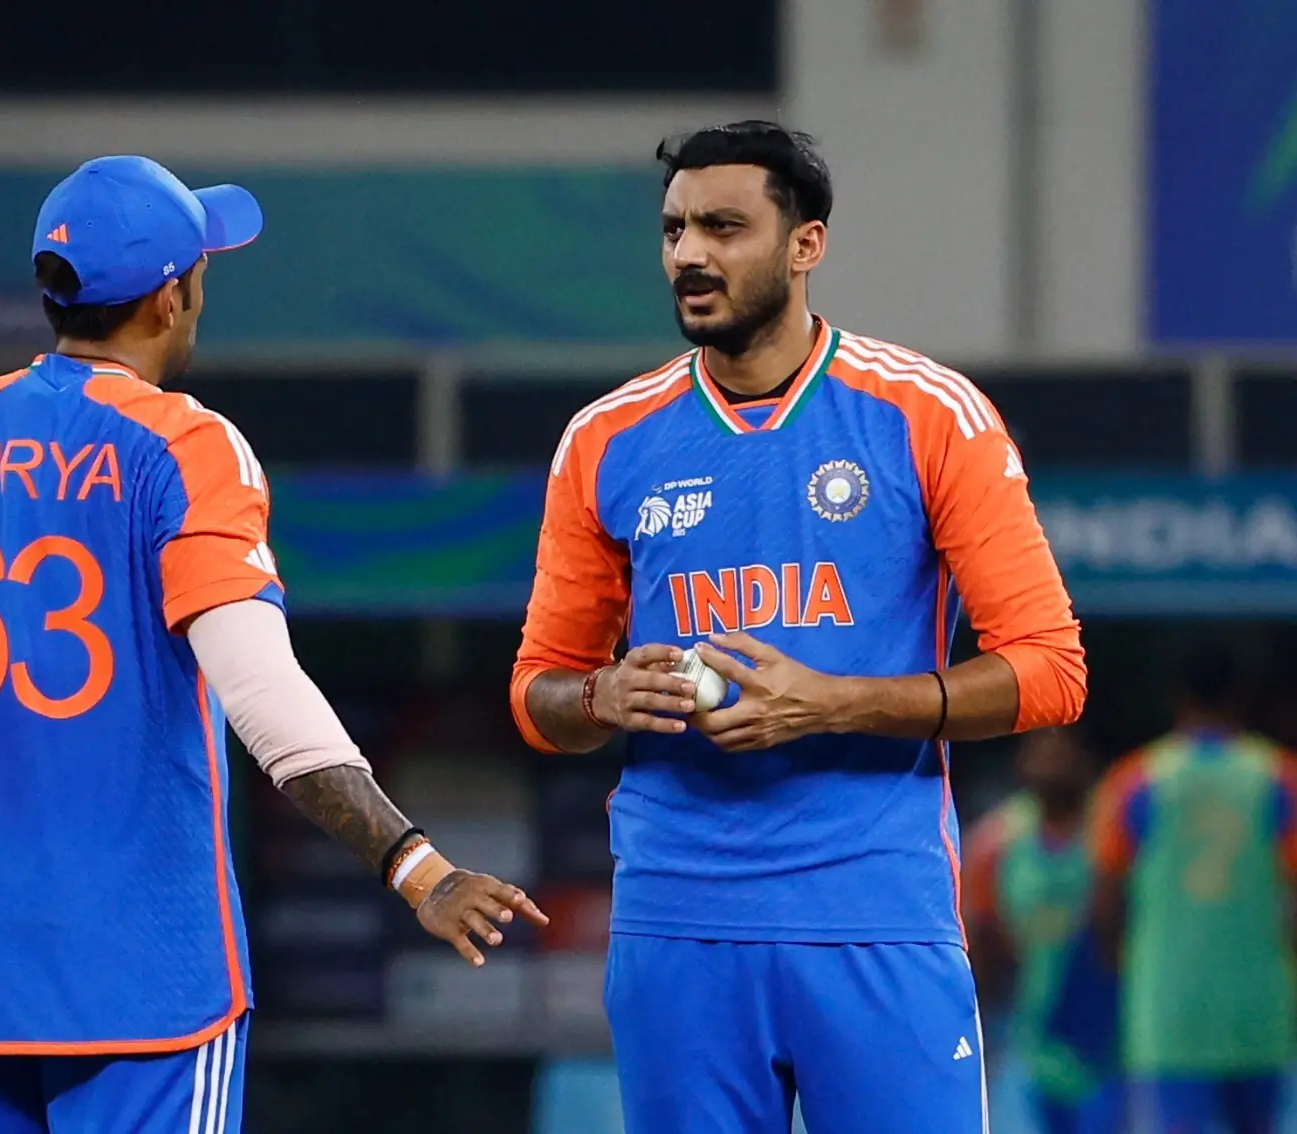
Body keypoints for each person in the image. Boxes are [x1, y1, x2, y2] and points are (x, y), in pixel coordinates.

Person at [0, 155, 546, 1134]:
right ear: (170, 296)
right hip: (144, 991)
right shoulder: (184, 447)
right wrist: (419, 868)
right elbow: (261, 693)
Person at [508, 120, 1087, 1134]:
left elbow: (1048, 672)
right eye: (675, 229)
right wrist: (598, 695)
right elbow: (538, 695)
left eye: (724, 227)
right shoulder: (604, 440)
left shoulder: (927, 414)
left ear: (804, 245)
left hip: (875, 918)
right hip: (676, 926)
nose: (689, 254)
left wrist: (830, 704)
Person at [1091, 645, 1297, 1134]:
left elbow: (1103, 905)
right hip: (1259, 1011)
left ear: (1177, 696)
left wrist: (1136, 970)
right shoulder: (1279, 778)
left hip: (1168, 1012)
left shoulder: (1134, 780)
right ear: (1242, 696)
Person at [963, 729, 1123, 1134]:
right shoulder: (996, 841)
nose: (1050, 763)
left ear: (1083, 758)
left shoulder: (1113, 830)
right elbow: (977, 934)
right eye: (1040, 753)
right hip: (1027, 1035)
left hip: (1110, 1041)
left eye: (1060, 752)